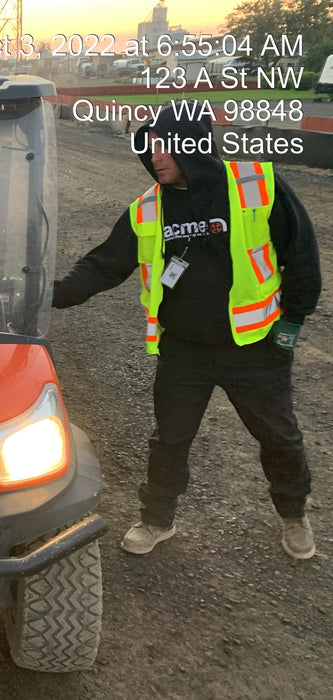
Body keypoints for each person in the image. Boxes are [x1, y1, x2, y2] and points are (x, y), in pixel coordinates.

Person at [52, 104, 322, 559]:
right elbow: (102, 266)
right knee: (170, 439)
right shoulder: (148, 207)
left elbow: (301, 255)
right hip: (184, 351)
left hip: (254, 347)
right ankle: (157, 519)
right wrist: (44, 294)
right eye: (150, 147)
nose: (154, 157)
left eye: (164, 146)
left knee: (279, 436)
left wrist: (292, 322)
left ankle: (293, 514)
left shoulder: (258, 185)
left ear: (191, 146)